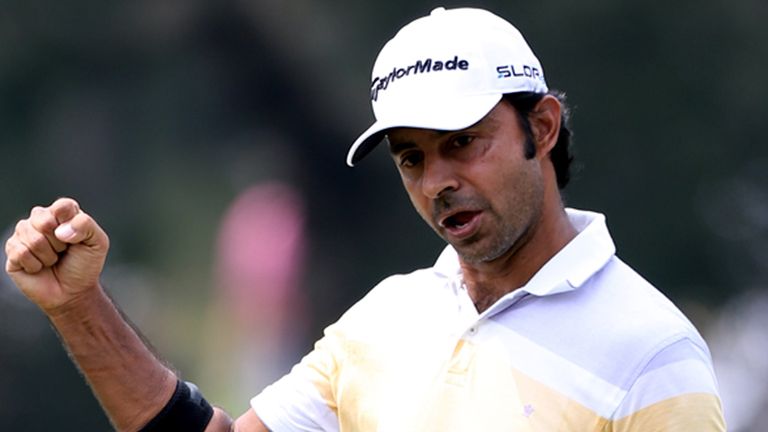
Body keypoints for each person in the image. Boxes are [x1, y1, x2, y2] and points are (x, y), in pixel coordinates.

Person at [3, 7, 725, 432]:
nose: (439, 181)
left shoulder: (652, 352)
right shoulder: (386, 317)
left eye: (462, 145)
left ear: (541, 126)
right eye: (411, 158)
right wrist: (79, 308)